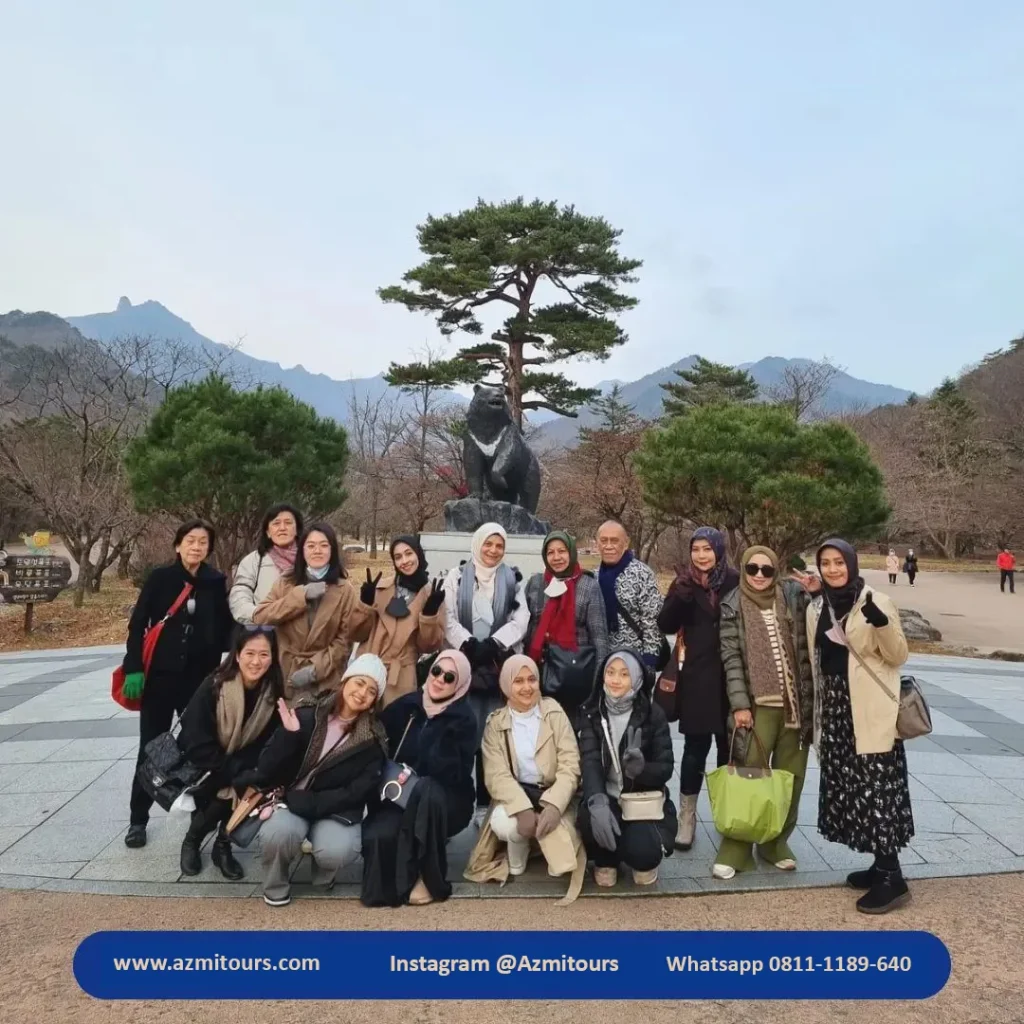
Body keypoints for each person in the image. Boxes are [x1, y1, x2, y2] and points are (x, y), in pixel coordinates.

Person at [809, 538, 913, 914]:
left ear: (852, 564)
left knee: (877, 789)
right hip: (837, 710)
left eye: (839, 562)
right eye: (826, 563)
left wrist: (880, 623)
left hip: (869, 710)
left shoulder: (876, 600)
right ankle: (879, 864)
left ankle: (892, 878)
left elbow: (898, 655)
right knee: (855, 790)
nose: (833, 569)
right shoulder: (818, 605)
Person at [239, 654, 388, 907]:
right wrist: (289, 735)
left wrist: (309, 802)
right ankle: (276, 885)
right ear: (345, 681)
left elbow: (355, 792)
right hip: (290, 798)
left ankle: (323, 873)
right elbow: (266, 769)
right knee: (278, 833)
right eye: (359, 682)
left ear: (375, 701)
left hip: (333, 808)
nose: (363, 693)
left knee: (338, 850)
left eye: (372, 691)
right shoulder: (308, 713)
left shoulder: (372, 740)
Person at [122, 520, 233, 849]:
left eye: (203, 542)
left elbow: (227, 628)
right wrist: (133, 668)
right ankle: (138, 819)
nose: (196, 547)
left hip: (199, 682)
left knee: (200, 745)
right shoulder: (161, 578)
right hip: (159, 679)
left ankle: (202, 812)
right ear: (178, 546)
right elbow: (138, 625)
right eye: (190, 540)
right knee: (150, 746)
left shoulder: (215, 582)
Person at [713, 546, 817, 878]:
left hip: (796, 707)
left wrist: (817, 590)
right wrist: (740, 704)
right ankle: (736, 849)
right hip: (757, 708)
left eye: (767, 570)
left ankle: (775, 844)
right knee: (749, 777)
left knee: (791, 780)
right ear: (743, 569)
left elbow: (819, 620)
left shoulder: (792, 597)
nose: (759, 575)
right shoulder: (732, 604)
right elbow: (731, 658)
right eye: (753, 569)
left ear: (775, 572)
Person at [360, 650, 478, 907]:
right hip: (399, 794)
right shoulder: (407, 706)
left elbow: (454, 773)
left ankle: (428, 878)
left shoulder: (464, 718)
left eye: (450, 677)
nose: (439, 680)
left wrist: (434, 731)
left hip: (445, 800)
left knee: (428, 789)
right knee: (379, 834)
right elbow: (375, 743)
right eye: (436, 671)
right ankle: (393, 885)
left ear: (459, 685)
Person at [464, 654, 585, 902]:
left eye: (531, 679)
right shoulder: (495, 724)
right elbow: (496, 775)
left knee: (560, 866)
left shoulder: (554, 712)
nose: (527, 687)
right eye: (518, 681)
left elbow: (570, 764)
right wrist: (521, 809)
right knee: (506, 824)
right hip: (518, 795)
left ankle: (542, 842)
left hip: (552, 792)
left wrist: (554, 805)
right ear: (506, 685)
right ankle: (519, 848)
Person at [176, 624, 284, 879]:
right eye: (250, 653)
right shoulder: (214, 686)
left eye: (264, 654)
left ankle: (222, 845)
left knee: (251, 785)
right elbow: (195, 738)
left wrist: (246, 770)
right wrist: (232, 770)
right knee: (225, 791)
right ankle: (192, 840)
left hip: (241, 762)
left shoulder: (272, 693)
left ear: (273, 657)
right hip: (205, 763)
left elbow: (268, 740)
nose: (256, 662)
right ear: (237, 655)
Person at [656, 527, 739, 851]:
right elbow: (664, 624)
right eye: (696, 549)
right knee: (694, 752)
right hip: (696, 680)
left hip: (731, 679)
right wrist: (679, 597)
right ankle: (687, 818)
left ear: (718, 550)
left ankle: (727, 813)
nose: (701, 555)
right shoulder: (684, 583)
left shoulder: (734, 580)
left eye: (707, 549)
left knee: (729, 751)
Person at [442, 523, 530, 813]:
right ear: (477, 544)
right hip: (463, 666)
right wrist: (468, 644)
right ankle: (457, 804)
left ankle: (485, 803)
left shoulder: (512, 578)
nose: (493, 550)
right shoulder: (456, 576)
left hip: (495, 667)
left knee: (492, 736)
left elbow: (520, 619)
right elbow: (448, 617)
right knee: (462, 732)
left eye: (499, 545)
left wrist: (494, 643)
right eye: (488, 544)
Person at [577, 650, 677, 887]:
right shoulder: (592, 711)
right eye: (610, 672)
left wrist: (642, 770)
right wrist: (597, 800)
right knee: (592, 819)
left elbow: (666, 767)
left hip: (639, 801)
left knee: (643, 854)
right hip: (608, 796)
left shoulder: (653, 714)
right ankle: (607, 859)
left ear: (637, 678)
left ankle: (635, 854)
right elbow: (590, 760)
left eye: (624, 674)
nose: (615, 680)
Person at [253, 522, 368, 706]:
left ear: (332, 550)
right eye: (311, 545)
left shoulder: (344, 589)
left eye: (324, 545)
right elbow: (261, 615)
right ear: (302, 550)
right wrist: (300, 596)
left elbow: (345, 639)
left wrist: (316, 670)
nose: (317, 551)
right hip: (287, 672)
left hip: (326, 677)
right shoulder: (286, 582)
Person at [349, 535, 446, 707]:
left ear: (418, 554)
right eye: (398, 557)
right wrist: (365, 604)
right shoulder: (380, 588)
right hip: (366, 670)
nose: (404, 561)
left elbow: (428, 647)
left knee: (393, 720)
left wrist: (429, 615)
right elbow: (356, 634)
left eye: (409, 553)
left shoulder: (432, 595)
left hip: (400, 677)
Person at [524, 530, 609, 722]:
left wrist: (596, 687)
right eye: (550, 552)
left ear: (571, 552)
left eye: (561, 551)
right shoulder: (536, 584)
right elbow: (525, 629)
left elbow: (600, 639)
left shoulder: (588, 586)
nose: (556, 557)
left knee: (571, 731)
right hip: (539, 674)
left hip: (575, 676)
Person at [596, 521, 666, 670]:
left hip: (635, 659)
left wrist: (649, 660)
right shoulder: (593, 577)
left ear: (626, 543)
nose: (608, 546)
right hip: (603, 660)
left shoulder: (642, 574)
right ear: (597, 543)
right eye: (604, 541)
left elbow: (652, 621)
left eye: (614, 541)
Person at [229, 504, 304, 624]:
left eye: (288, 523)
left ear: (297, 529)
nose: (282, 528)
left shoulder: (309, 558)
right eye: (276, 523)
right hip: (265, 629)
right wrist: (256, 615)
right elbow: (240, 594)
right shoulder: (254, 560)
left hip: (303, 632)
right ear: (268, 532)